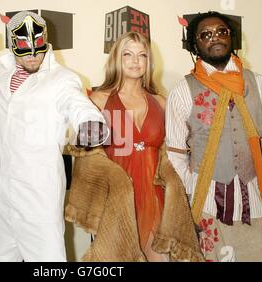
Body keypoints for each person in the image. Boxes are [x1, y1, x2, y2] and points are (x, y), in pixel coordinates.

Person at [0, 11, 107, 262]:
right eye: (27, 51)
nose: (35, 57)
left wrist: (90, 122)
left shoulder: (62, 79)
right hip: (2, 201)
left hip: (39, 203)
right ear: (14, 48)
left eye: (39, 49)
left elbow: (76, 102)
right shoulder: (0, 80)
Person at [166, 11, 262, 261]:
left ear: (232, 38)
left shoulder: (258, 84)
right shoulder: (182, 91)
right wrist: (186, 211)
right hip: (206, 208)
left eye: (222, 31)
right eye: (206, 34)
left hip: (259, 204)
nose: (215, 37)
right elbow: (175, 157)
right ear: (195, 45)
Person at [88, 31, 167, 261]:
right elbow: (90, 160)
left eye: (142, 55)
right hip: (116, 200)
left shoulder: (161, 102)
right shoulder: (99, 100)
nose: (135, 61)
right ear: (116, 59)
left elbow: (171, 155)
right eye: (128, 54)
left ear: (148, 61)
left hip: (155, 198)